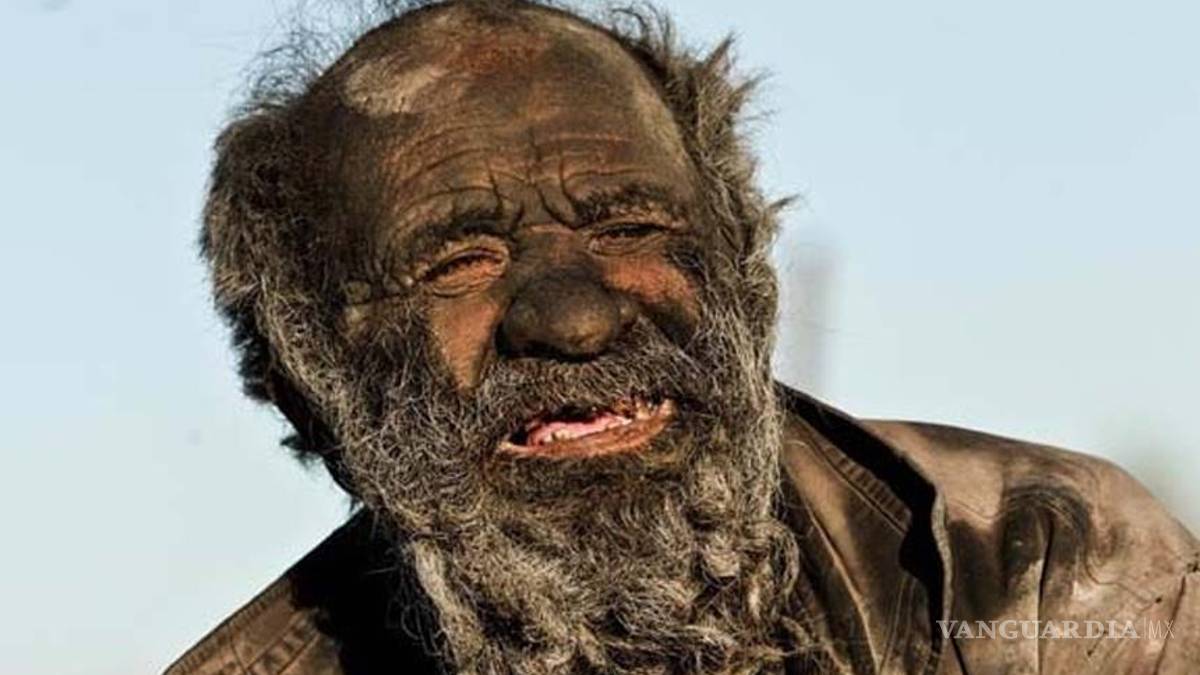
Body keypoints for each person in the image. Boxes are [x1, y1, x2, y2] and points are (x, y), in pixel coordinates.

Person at [167, 2, 1199, 673]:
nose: (575, 317)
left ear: (745, 279)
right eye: (460, 261)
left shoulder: (1035, 562)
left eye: (628, 229)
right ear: (310, 376)